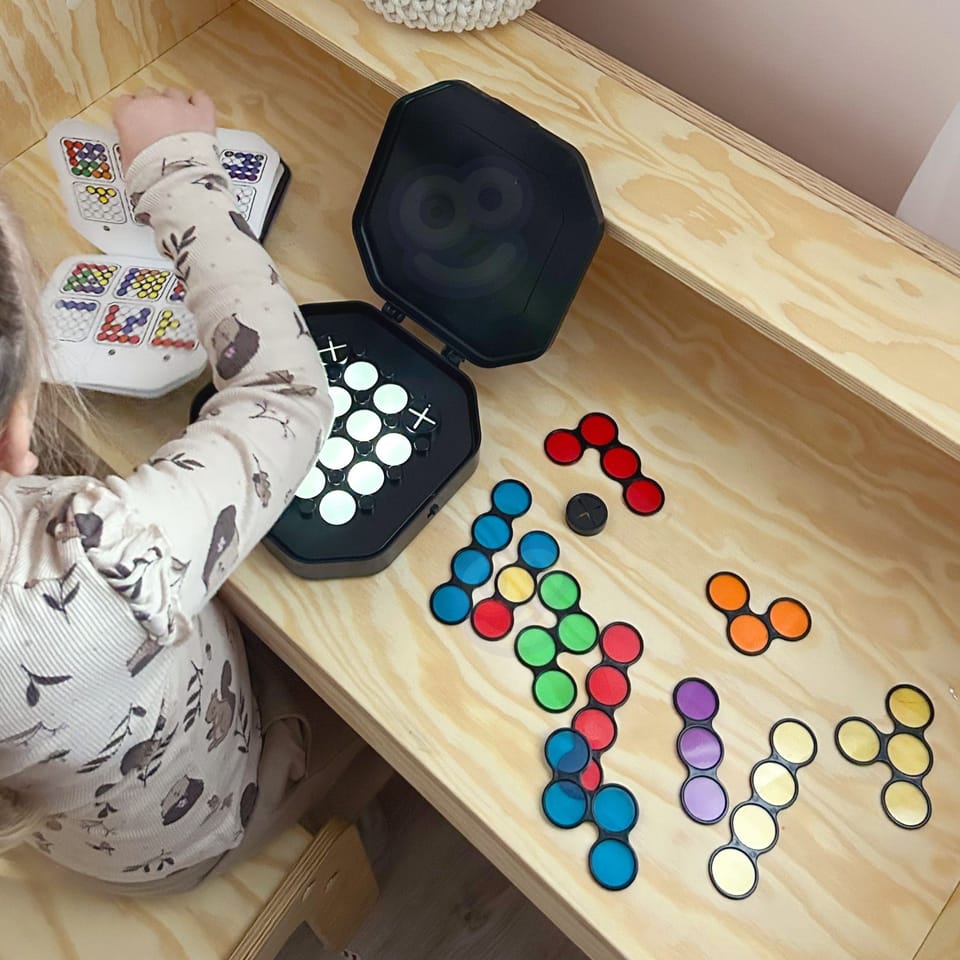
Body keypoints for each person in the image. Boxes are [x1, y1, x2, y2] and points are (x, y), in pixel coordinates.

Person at [0, 87, 355, 893]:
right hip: (194, 833)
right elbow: (287, 395)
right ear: (16, 425)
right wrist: (174, 167)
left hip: (68, 831)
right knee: (379, 723)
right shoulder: (96, 560)